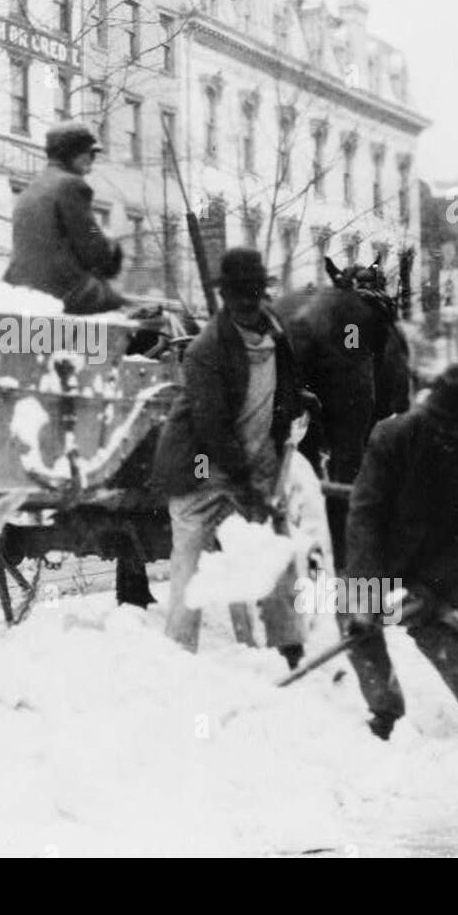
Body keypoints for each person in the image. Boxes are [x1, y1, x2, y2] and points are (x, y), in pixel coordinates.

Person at [151, 248, 317, 663]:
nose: (245, 303)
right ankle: (179, 656)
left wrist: (302, 401)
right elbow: (212, 429)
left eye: (252, 293)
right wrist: (245, 485)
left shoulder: (278, 337)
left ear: (262, 293)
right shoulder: (207, 350)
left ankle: (288, 649)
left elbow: (285, 390)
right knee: (189, 566)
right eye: (237, 295)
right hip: (200, 471)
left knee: (277, 553)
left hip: (254, 466)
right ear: (224, 297)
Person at [339, 363, 458, 748]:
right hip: (383, 557)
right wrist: (368, 592)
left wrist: (428, 591)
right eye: (443, 425)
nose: (450, 434)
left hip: (443, 568)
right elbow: (365, 513)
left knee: (433, 626)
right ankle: (384, 711)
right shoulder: (392, 436)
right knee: (355, 620)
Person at [3, 121, 127, 315]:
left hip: (20, 286)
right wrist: (111, 245)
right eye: (90, 154)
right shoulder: (71, 185)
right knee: (136, 317)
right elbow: (92, 247)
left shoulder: (33, 186)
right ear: (74, 152)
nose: (92, 162)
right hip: (61, 290)